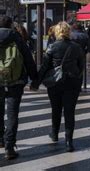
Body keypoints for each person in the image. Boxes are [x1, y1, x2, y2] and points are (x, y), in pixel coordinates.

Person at [38, 22, 84, 152]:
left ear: (57, 32)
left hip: (55, 83)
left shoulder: (52, 47)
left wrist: (36, 82)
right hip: (72, 83)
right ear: (68, 32)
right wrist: (77, 79)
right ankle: (69, 141)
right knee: (70, 112)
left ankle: (54, 134)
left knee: (55, 109)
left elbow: (45, 67)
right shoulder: (76, 47)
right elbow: (81, 67)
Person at [0, 15, 39, 159]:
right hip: (16, 82)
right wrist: (35, 79)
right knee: (12, 114)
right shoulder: (17, 38)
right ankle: (9, 148)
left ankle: (0, 140)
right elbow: (28, 60)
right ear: (11, 25)